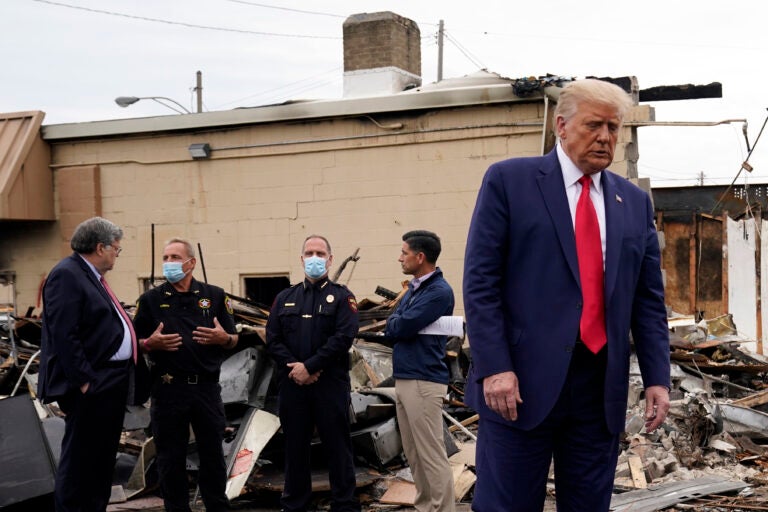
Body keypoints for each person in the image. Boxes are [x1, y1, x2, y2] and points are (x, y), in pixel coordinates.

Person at [462, 79, 671, 512]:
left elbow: (647, 300)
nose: (605, 137)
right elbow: (481, 284)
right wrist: (495, 367)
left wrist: (657, 377)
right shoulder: (510, 181)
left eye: (613, 128)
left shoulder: (632, 202)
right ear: (561, 125)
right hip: (518, 387)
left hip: (600, 389)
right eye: (594, 125)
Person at [38, 216, 136, 512]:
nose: (117, 255)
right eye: (116, 249)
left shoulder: (90, 276)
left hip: (109, 381)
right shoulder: (67, 275)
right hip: (93, 383)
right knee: (82, 458)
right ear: (100, 247)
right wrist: (84, 381)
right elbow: (64, 333)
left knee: (101, 457)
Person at [133, 238, 238, 512]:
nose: (168, 263)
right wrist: (149, 344)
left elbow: (234, 339)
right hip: (168, 390)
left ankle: (217, 506)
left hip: (206, 389)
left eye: (175, 257)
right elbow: (133, 341)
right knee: (170, 457)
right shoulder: (150, 300)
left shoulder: (215, 296)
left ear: (191, 263)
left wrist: (222, 337)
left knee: (213, 455)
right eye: (165, 258)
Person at [265, 235, 360, 512]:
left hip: (329, 384)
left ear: (330, 260)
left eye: (320, 253)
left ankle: (344, 504)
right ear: (301, 258)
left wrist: (311, 366)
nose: (314, 257)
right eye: (309, 252)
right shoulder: (285, 297)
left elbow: (344, 338)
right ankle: (295, 504)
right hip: (293, 385)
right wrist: (297, 369)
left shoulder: (343, 297)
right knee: (295, 448)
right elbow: (273, 339)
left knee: (337, 448)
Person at [383, 230, 455, 512]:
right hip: (407, 377)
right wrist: (397, 322)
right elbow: (396, 322)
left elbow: (398, 327)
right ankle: (426, 507)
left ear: (420, 256)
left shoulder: (438, 292)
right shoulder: (416, 288)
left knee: (431, 454)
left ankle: (442, 509)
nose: (400, 257)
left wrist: (397, 322)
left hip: (423, 381)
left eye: (404, 253)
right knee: (414, 454)